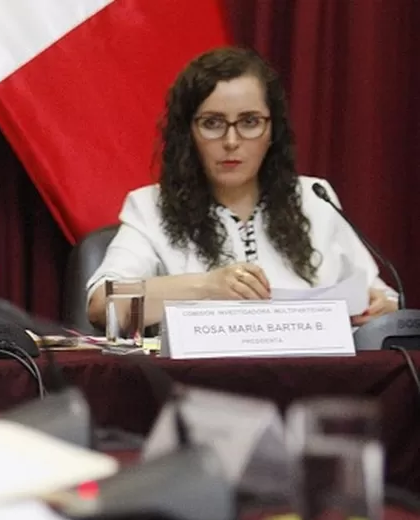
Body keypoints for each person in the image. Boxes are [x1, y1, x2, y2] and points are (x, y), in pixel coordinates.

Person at [87, 47, 398, 329]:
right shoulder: (150, 207)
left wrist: (382, 308)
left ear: (271, 130)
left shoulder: (315, 199)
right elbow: (104, 305)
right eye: (212, 123)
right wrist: (207, 287)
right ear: (188, 133)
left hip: (312, 383)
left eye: (249, 122)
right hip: (196, 387)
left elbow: (381, 296)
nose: (232, 141)